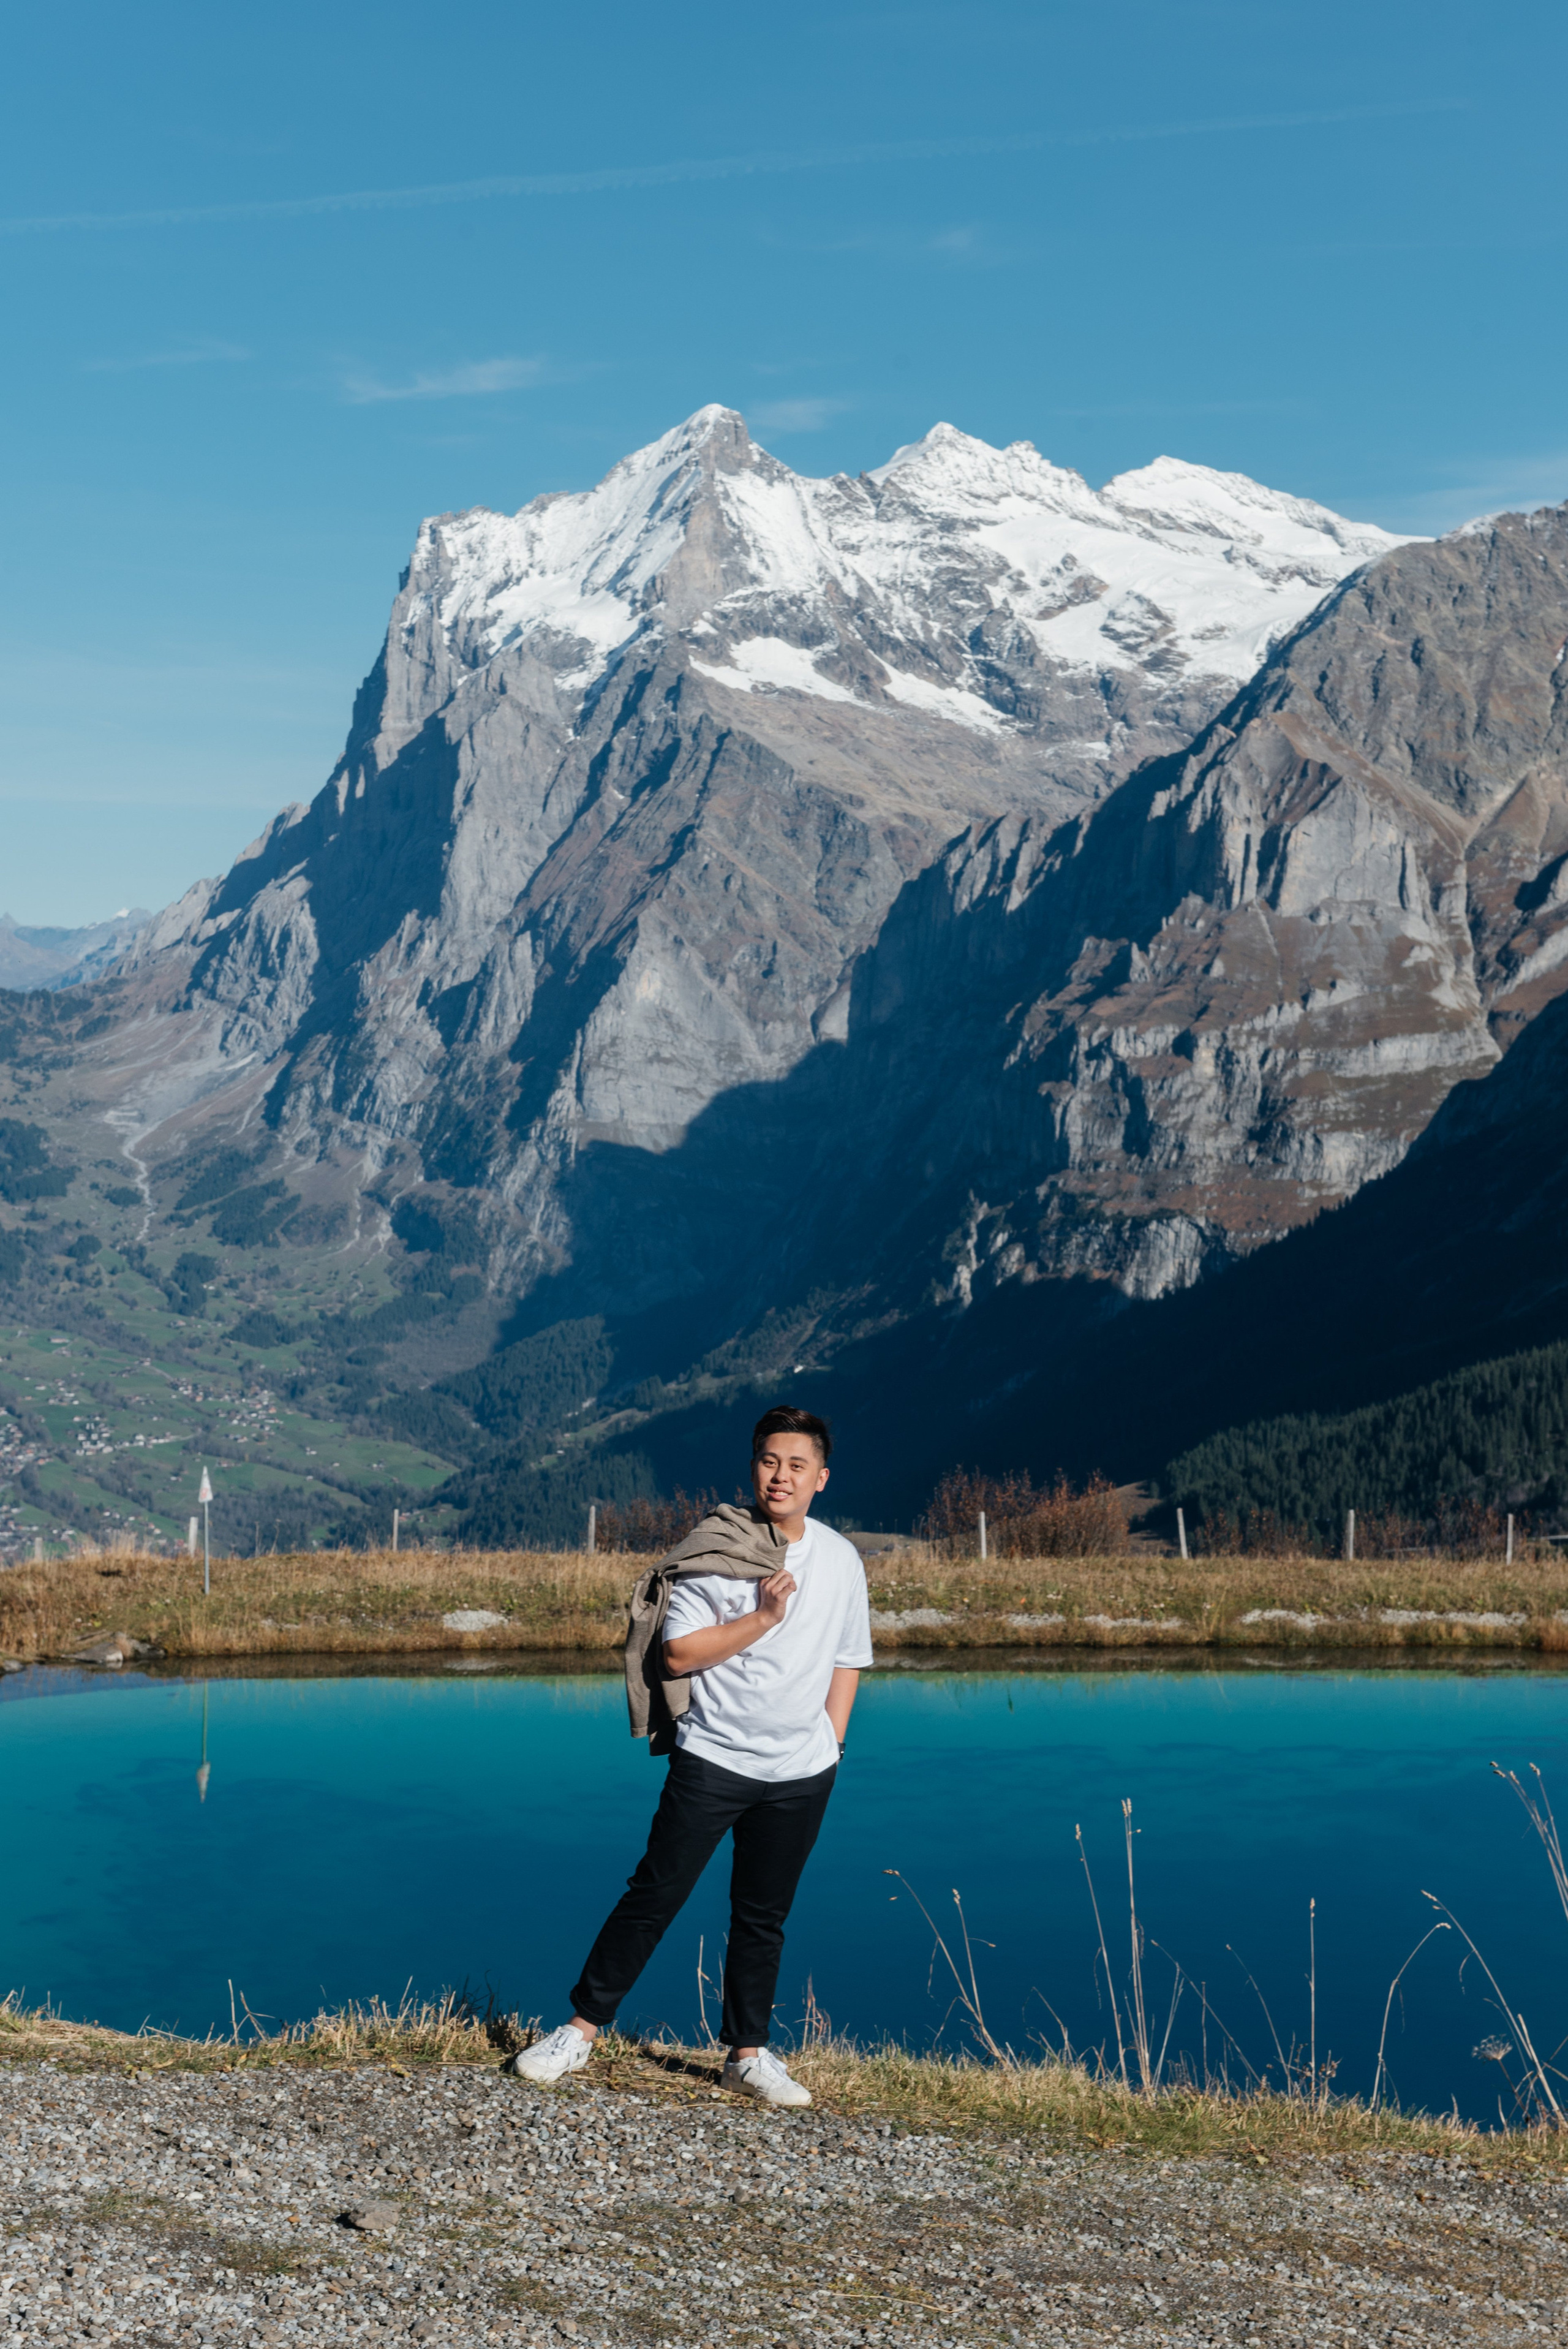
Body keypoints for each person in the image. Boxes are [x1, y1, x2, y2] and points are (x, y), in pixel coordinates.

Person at [508, 1405, 870, 2107]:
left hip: (801, 1771)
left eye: (797, 1465)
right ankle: (579, 2031)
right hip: (713, 1760)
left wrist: (834, 1743)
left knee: (762, 1916)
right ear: (753, 1467)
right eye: (769, 1461)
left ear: (821, 1479)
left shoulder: (841, 1558)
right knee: (655, 1895)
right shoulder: (716, 1551)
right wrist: (763, 1617)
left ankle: (747, 2055)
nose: (781, 1476)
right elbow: (676, 1653)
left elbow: (849, 1657)